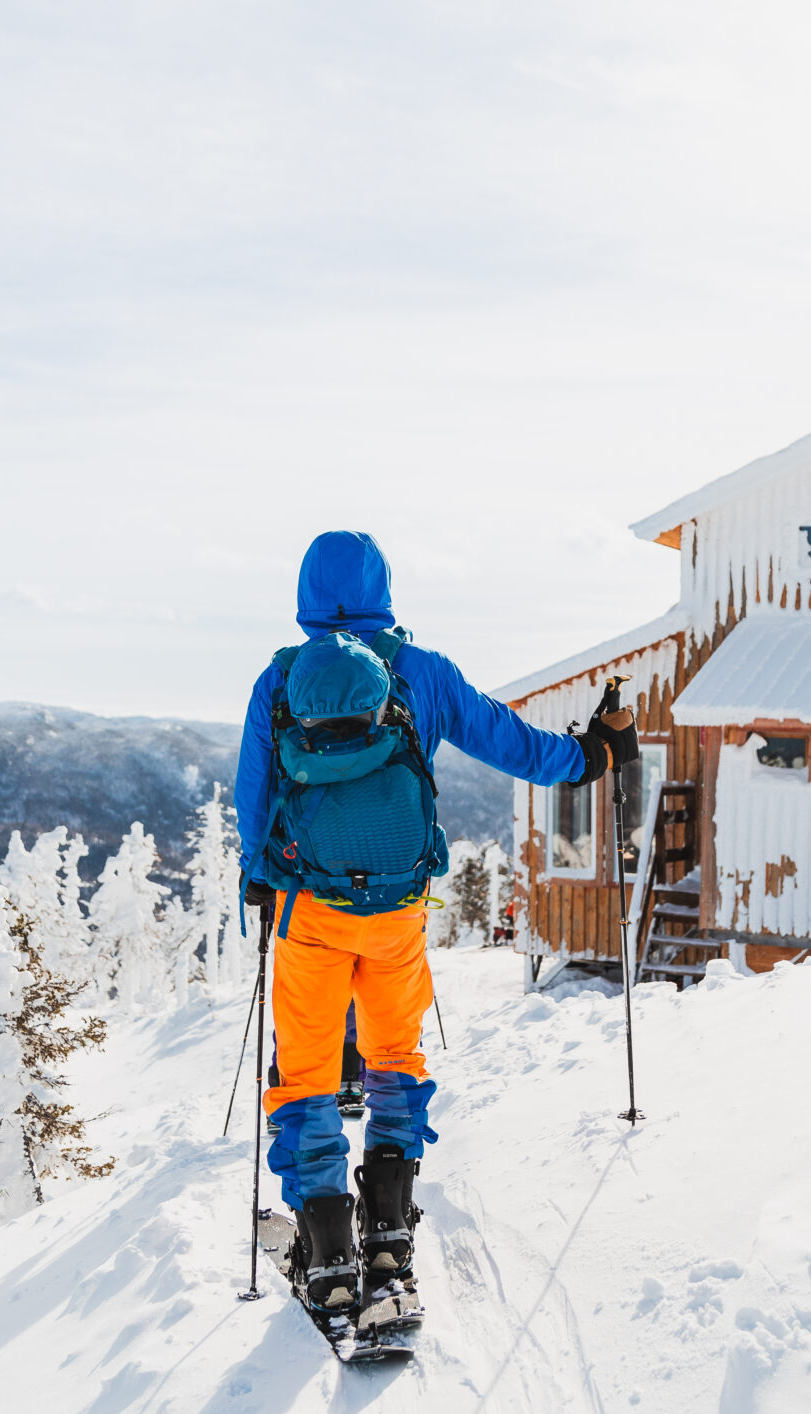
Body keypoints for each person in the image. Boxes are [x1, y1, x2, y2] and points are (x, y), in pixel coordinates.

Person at [237, 530, 635, 1319]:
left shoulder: (280, 679)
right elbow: (512, 742)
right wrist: (592, 755)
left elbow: (253, 793)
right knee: (392, 1055)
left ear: (308, 595)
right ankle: (387, 1232)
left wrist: (260, 878)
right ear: (383, 589)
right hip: (395, 913)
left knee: (309, 1073)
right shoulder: (421, 674)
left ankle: (327, 1255)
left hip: (309, 914)